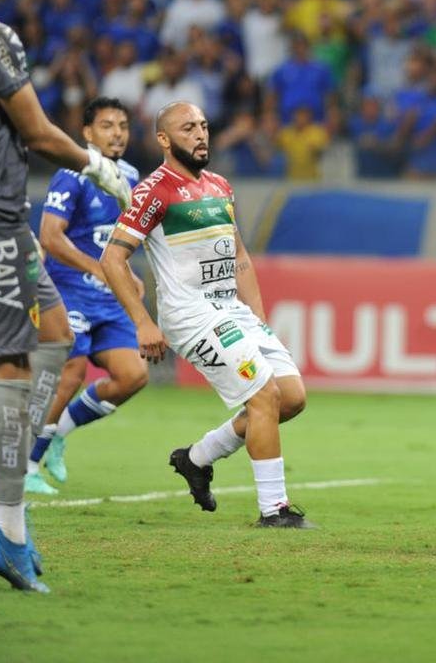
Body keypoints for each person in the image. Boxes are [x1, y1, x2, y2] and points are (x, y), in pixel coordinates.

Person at [0, 0, 132, 592]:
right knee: (10, 366)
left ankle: (17, 501)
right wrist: (94, 167)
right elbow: (37, 130)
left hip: (8, 221)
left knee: (56, 338)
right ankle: (8, 531)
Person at [98, 100, 312, 529]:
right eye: (187, 128)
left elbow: (240, 258)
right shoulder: (153, 190)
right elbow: (112, 259)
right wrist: (143, 321)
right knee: (264, 397)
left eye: (203, 126)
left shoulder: (219, 185)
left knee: (291, 398)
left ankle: (196, 458)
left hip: (232, 311)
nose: (200, 134)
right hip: (191, 315)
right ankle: (276, 510)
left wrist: (259, 318)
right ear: (163, 139)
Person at [26, 97, 147, 494]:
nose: (117, 133)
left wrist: (126, 274)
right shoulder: (72, 174)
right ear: (87, 133)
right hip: (68, 292)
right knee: (71, 374)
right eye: (108, 125)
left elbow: (119, 241)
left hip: (109, 299)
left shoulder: (130, 176)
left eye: (123, 125)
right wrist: (96, 268)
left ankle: (59, 432)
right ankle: (27, 466)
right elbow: (50, 237)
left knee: (133, 376)